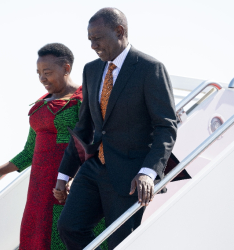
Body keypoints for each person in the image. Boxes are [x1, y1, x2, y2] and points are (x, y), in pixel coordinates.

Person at [54, 8, 178, 250]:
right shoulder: (91, 70)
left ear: (119, 31)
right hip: (93, 170)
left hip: (130, 176)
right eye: (89, 40)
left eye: (97, 38)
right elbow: (84, 127)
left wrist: (148, 173)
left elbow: (166, 127)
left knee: (120, 244)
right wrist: (64, 175)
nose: (93, 45)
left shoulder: (150, 69)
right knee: (69, 227)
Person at [0, 43, 106, 250]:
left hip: (70, 183)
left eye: (47, 72)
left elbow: (95, 146)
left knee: (67, 234)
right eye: (38, 73)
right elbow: (29, 152)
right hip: (39, 187)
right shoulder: (41, 103)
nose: (42, 78)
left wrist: (76, 178)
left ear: (66, 68)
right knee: (38, 237)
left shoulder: (83, 100)